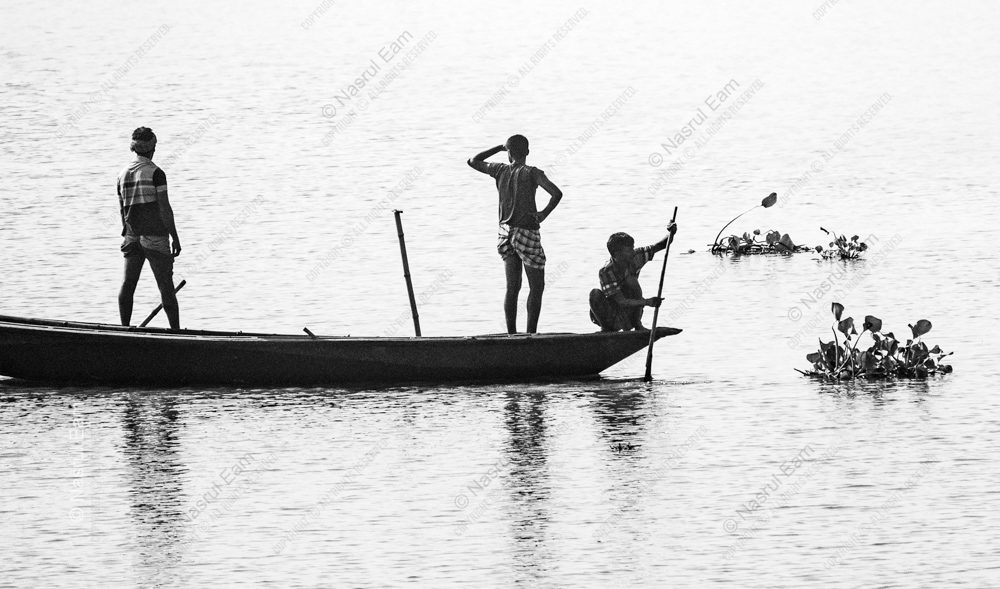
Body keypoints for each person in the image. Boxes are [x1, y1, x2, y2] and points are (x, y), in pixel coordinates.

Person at [467, 135, 562, 334]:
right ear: (527, 152)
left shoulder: (500, 170)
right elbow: (556, 193)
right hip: (526, 231)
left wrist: (499, 147)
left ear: (508, 153)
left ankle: (511, 333)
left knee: (512, 287)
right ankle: (530, 334)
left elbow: (473, 161)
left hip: (504, 232)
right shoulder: (532, 173)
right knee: (536, 287)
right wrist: (543, 214)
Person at [117, 127, 182, 329]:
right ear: (153, 148)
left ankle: (124, 329)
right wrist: (175, 237)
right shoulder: (156, 173)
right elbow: (164, 208)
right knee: (166, 287)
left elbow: (122, 209)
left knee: (128, 284)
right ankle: (176, 334)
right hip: (155, 237)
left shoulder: (122, 174)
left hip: (131, 236)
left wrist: (128, 231)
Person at [589, 224, 677, 332]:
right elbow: (621, 301)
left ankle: (637, 325)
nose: (633, 252)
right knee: (595, 294)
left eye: (632, 248)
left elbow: (662, 245)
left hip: (630, 315)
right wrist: (647, 302)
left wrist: (671, 232)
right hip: (613, 317)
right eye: (629, 250)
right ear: (617, 254)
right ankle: (607, 330)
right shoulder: (606, 271)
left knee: (631, 281)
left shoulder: (636, 256)